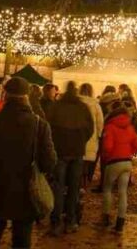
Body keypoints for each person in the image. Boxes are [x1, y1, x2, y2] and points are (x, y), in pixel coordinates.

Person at [0, 77, 56, 249]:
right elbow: (49, 162)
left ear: (5, 95)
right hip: (26, 191)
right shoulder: (40, 125)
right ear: (27, 97)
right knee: (22, 239)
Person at [46, 81, 94, 236]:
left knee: (58, 187)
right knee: (74, 187)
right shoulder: (82, 108)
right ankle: (71, 220)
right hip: (77, 151)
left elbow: (48, 127)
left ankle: (56, 221)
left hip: (60, 151)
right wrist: (81, 141)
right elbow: (90, 129)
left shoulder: (56, 107)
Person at [101, 100, 137, 234]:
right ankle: (120, 223)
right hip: (127, 162)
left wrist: (106, 155)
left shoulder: (110, 127)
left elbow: (107, 146)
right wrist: (129, 152)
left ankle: (106, 218)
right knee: (123, 192)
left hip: (114, 161)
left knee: (107, 189)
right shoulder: (130, 128)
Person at [78, 83, 104, 190]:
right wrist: (99, 134)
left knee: (78, 161)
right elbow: (100, 122)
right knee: (87, 162)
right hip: (91, 136)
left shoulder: (77, 103)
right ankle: (85, 181)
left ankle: (78, 182)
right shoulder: (95, 105)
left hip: (78, 136)